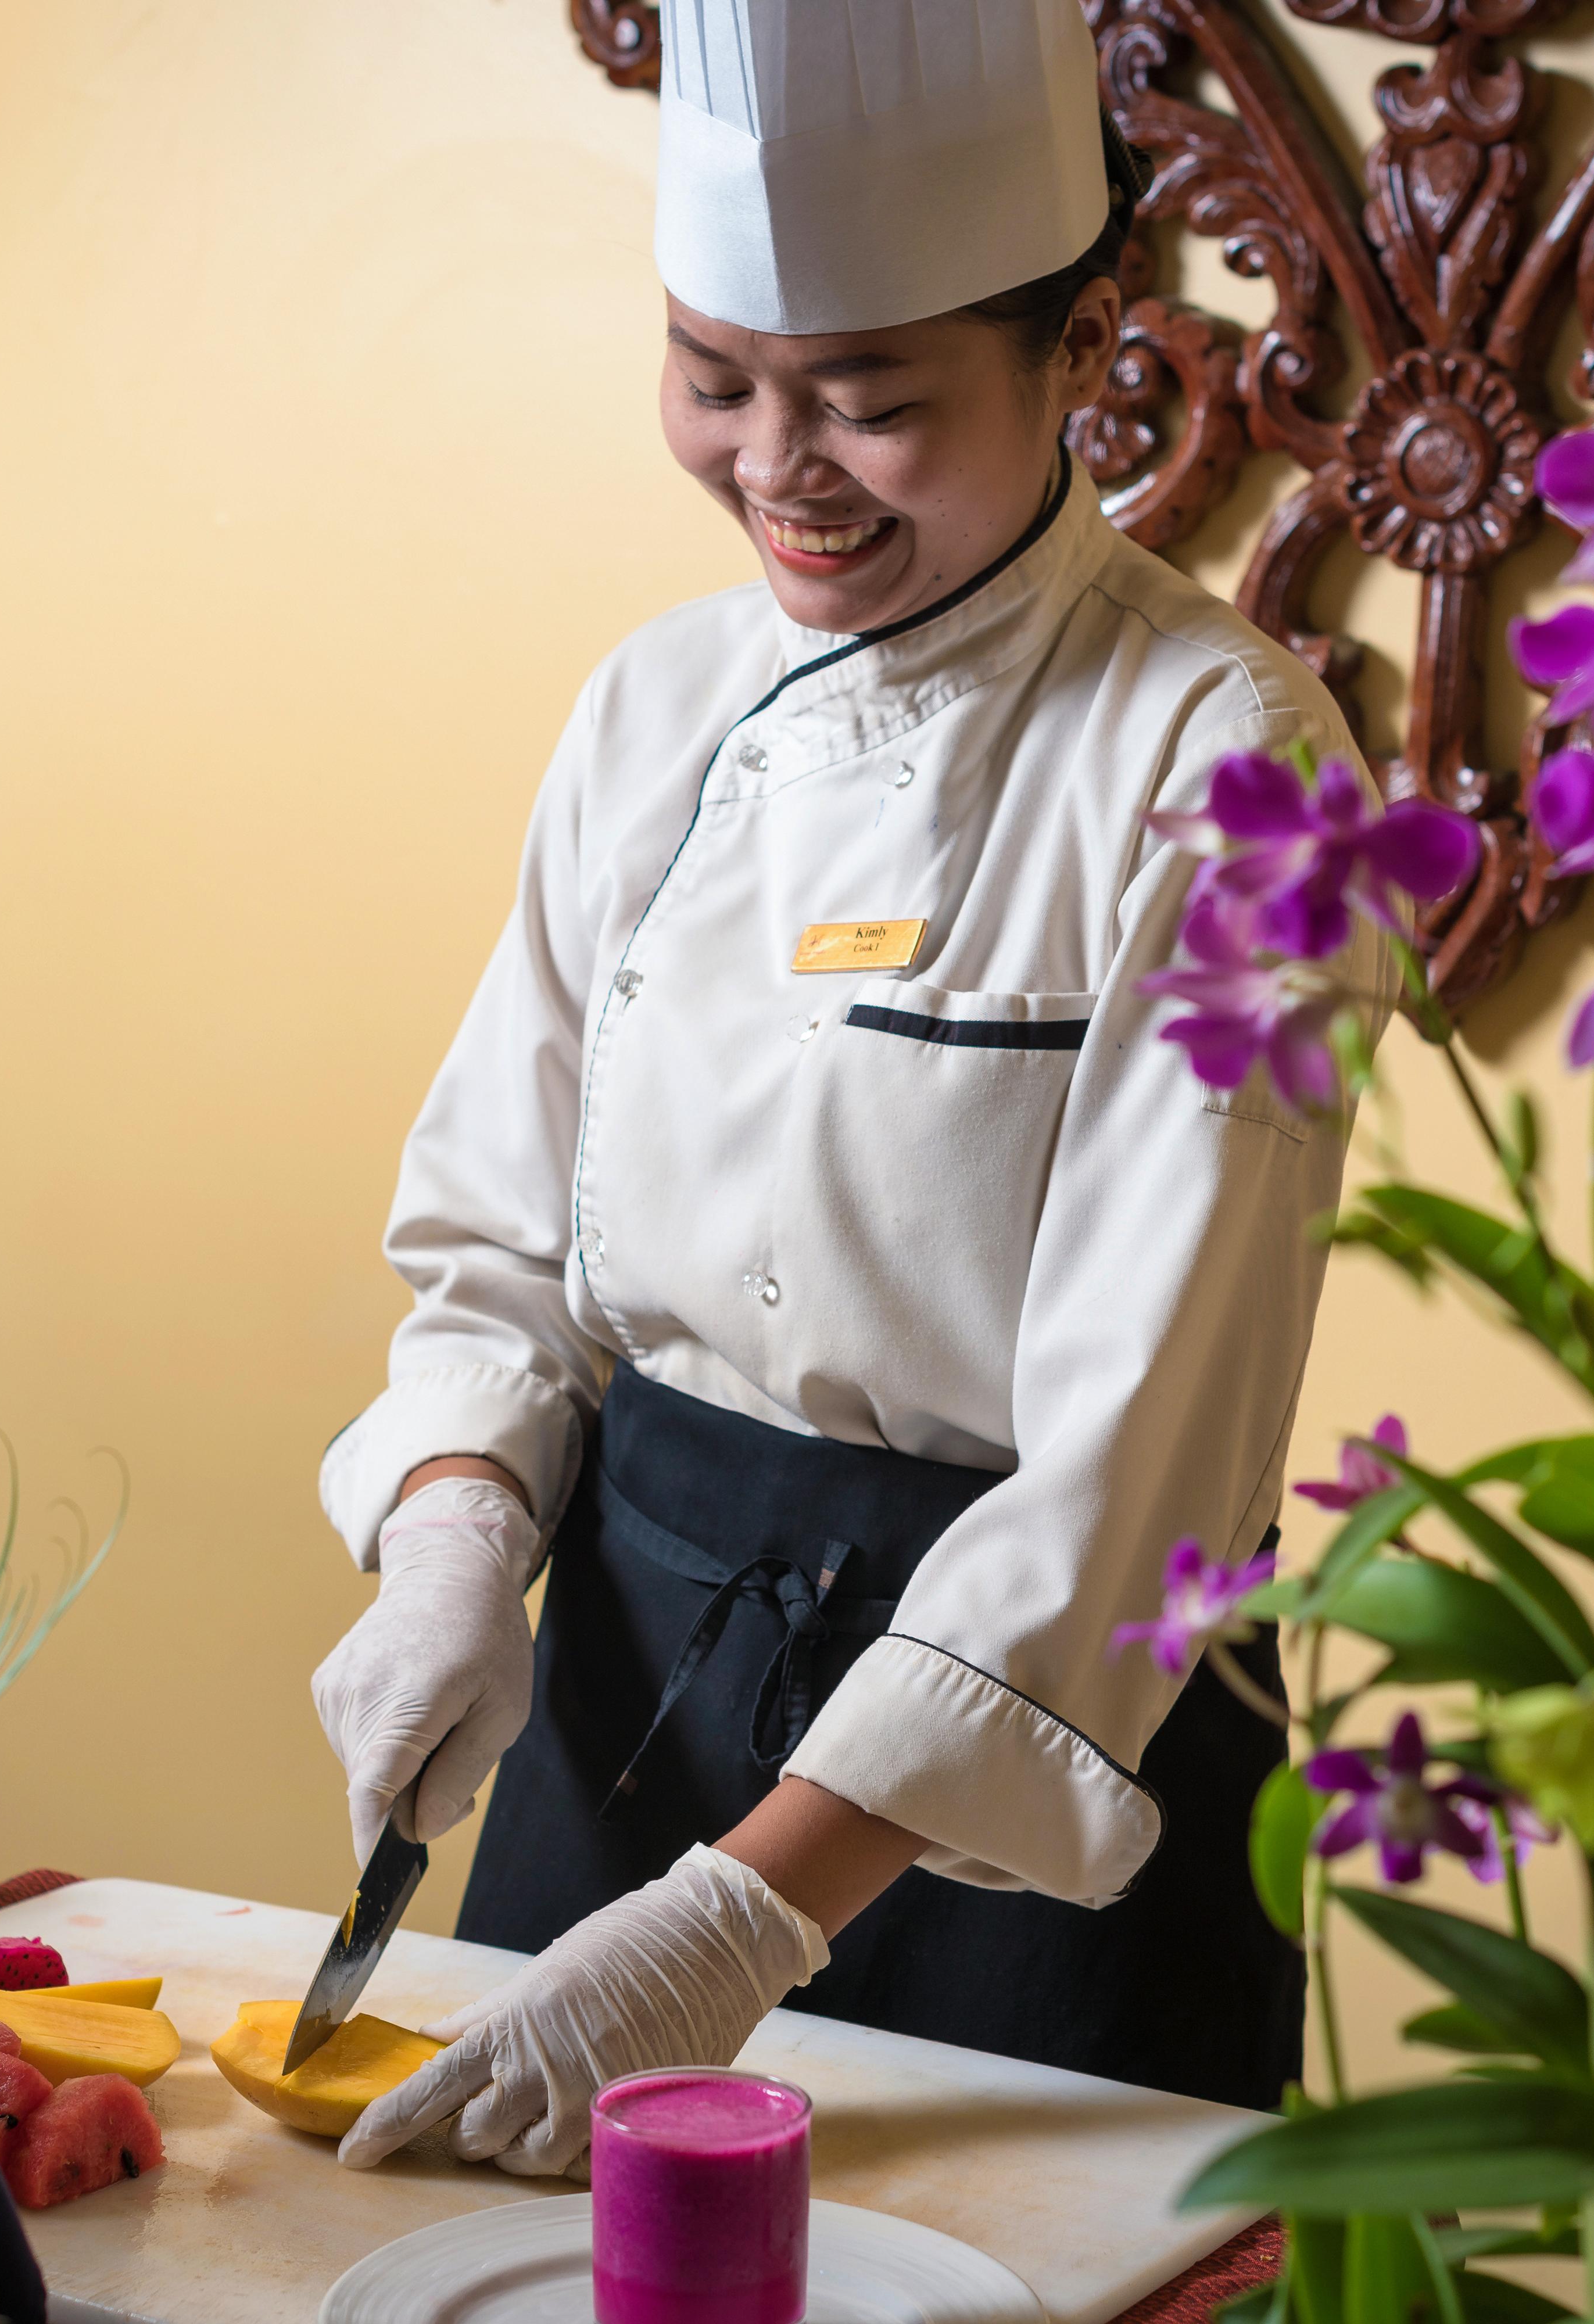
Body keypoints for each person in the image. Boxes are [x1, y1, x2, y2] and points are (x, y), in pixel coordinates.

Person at [310, 0, 1374, 2176]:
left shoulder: (1223, 759)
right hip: (628, 1694)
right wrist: (449, 1542)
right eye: (713, 382)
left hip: (1048, 1788)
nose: (778, 465)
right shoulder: (656, 710)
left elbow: (1131, 1481)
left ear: (1086, 352)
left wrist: (735, 1919)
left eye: (872, 404)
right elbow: (504, 1249)